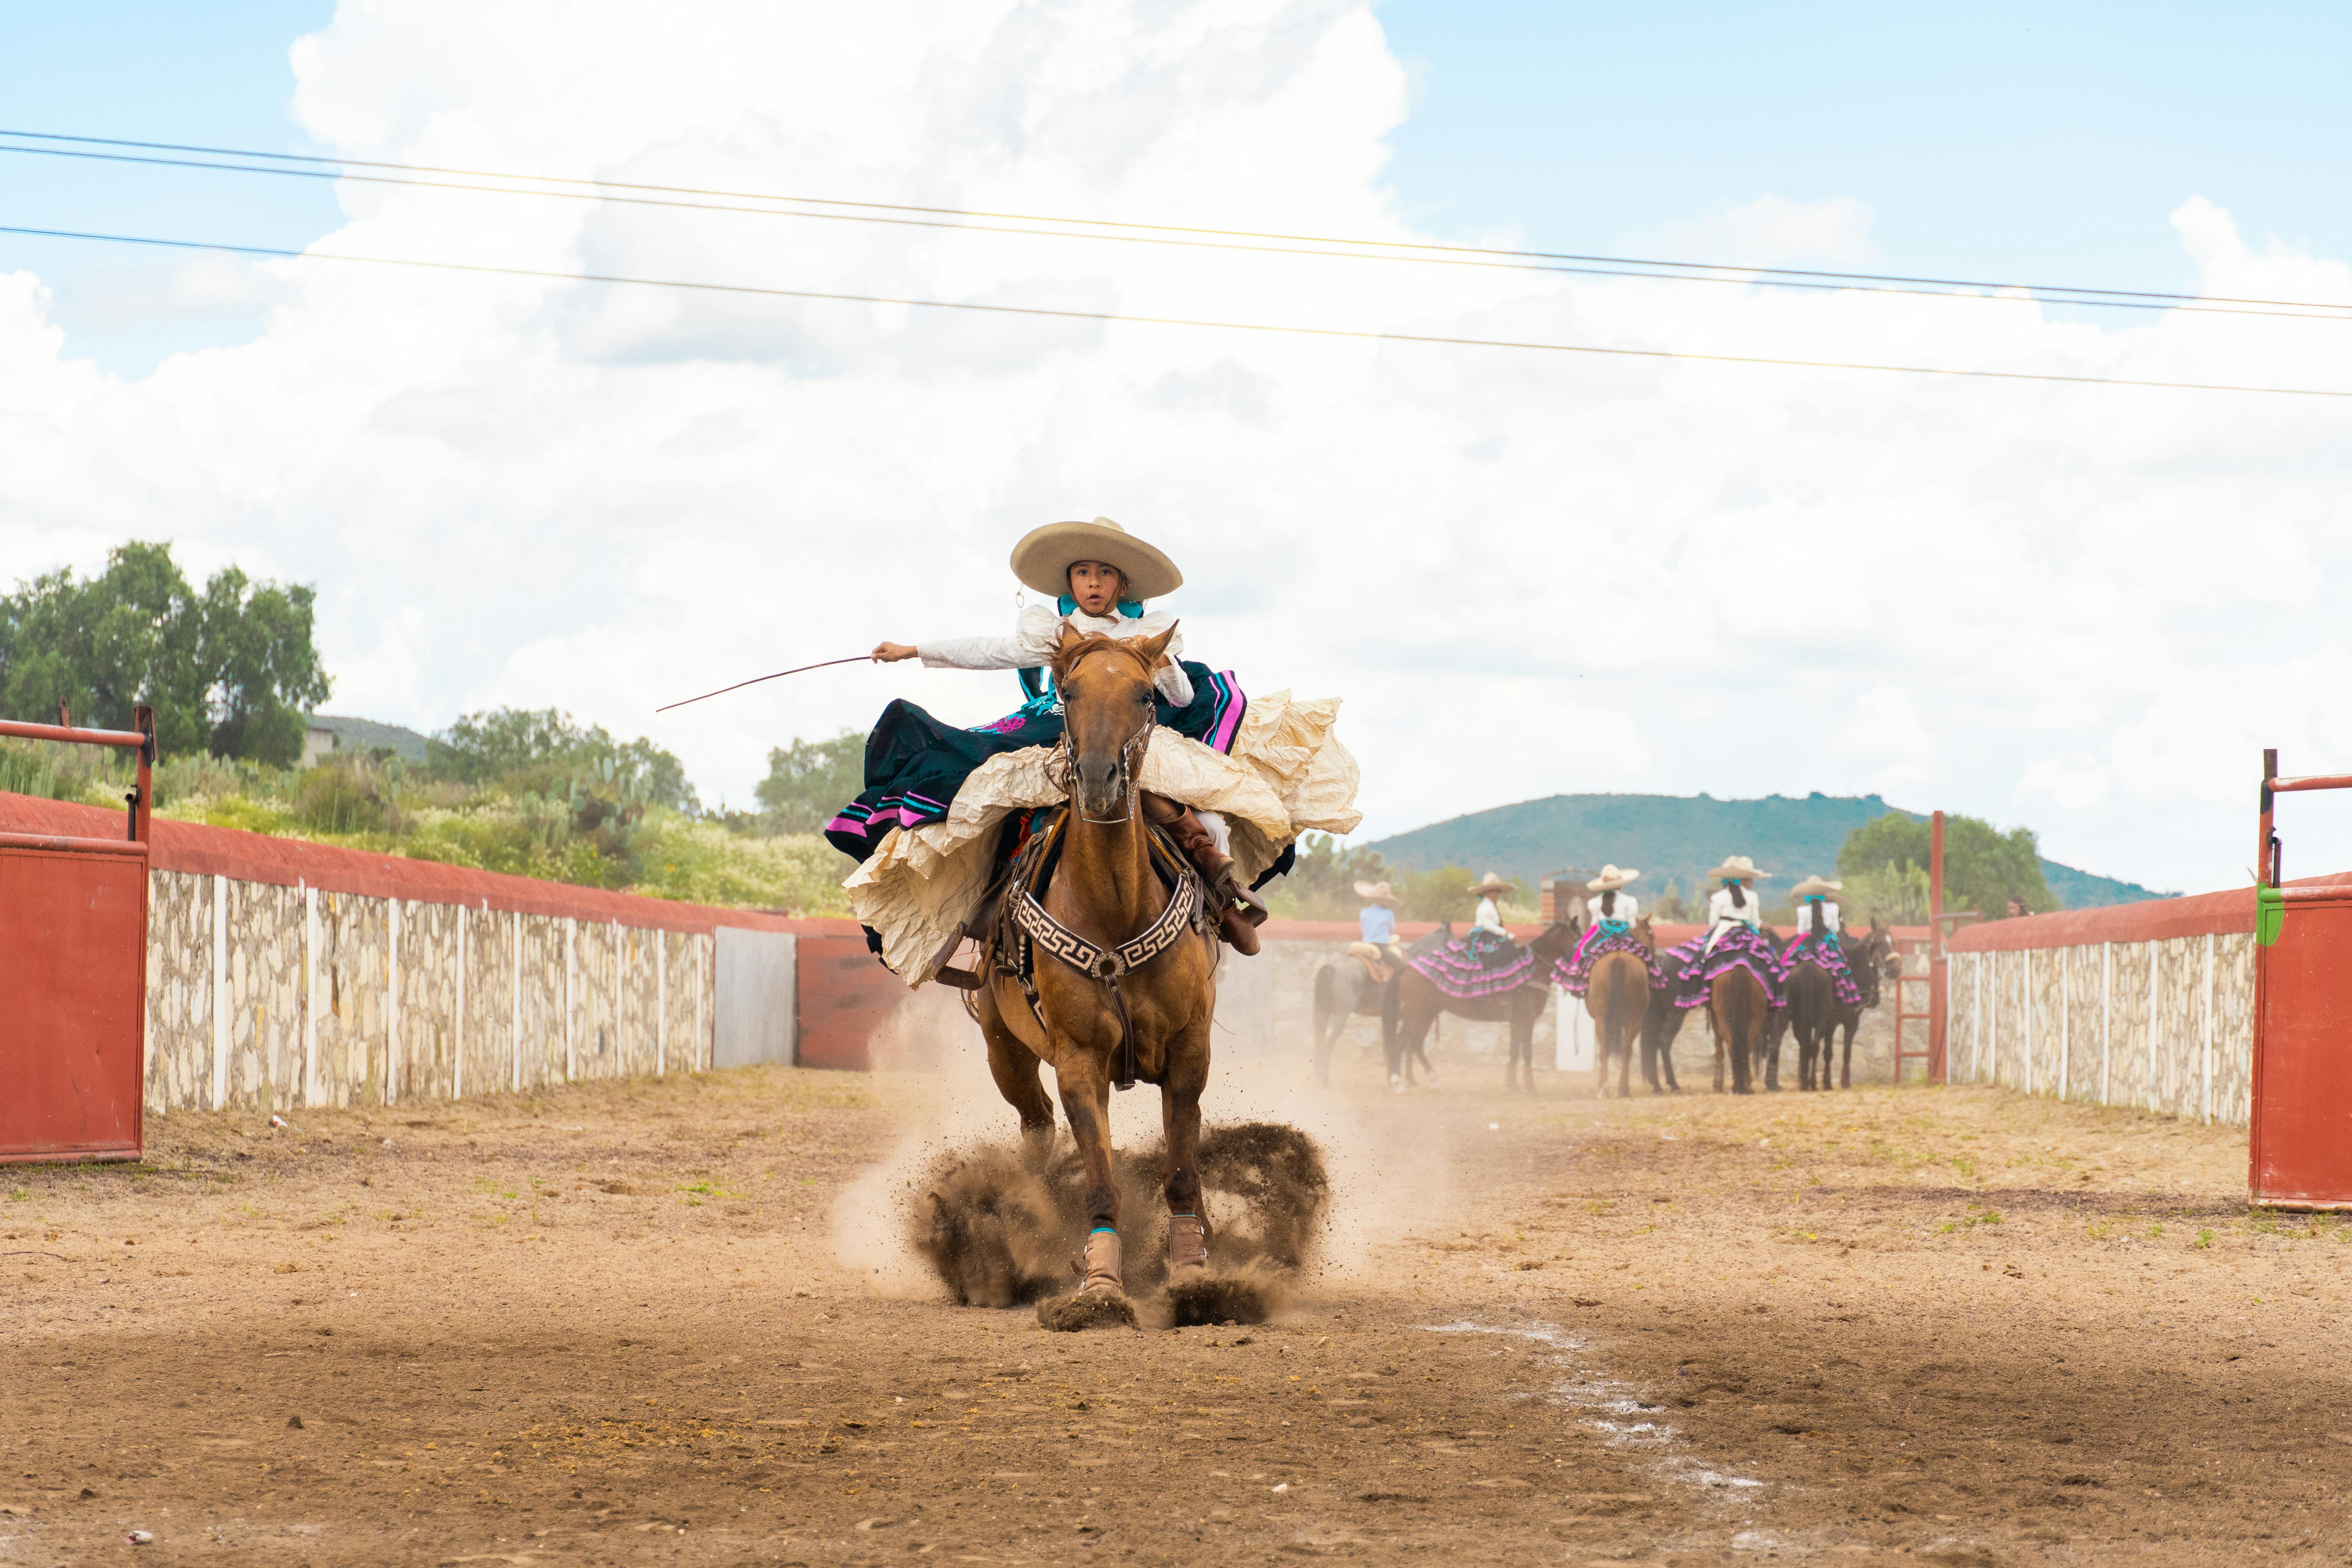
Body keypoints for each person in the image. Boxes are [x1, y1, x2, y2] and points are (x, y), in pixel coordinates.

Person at [830, 517, 1360, 978]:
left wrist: (1157, 661)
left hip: (1132, 732)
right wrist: (914, 649)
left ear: (1121, 582)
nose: (1093, 583)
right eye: (1083, 572)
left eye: (1104, 574)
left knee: (1209, 815)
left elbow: (1183, 696)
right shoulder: (1051, 629)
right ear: (1070, 579)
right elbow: (994, 651)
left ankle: (1222, 907)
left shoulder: (1147, 629)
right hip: (1059, 730)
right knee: (985, 807)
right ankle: (986, 914)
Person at [1678, 855, 1788, 1009]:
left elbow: (1712, 923)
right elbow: (1755, 923)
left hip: (1722, 932)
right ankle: (1774, 1000)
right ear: (1744, 878)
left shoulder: (1718, 896)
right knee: (1770, 960)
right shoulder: (1753, 896)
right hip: (1747, 933)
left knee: (1702, 958)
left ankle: (1698, 994)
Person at [1559, 864, 1662, 995]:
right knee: (1645, 954)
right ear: (1620, 885)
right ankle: (1654, 984)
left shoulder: (1595, 903)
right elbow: (1632, 925)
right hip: (1623, 934)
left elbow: (1594, 925)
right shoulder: (1630, 901)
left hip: (1602, 934)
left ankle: (1577, 986)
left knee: (1583, 951)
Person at [1784, 874, 1861, 1005]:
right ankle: (1848, 996)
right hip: (1827, 942)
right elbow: (1836, 928)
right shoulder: (1833, 908)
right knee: (1842, 966)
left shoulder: (1802, 910)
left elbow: (1800, 932)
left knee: (1787, 962)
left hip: (1807, 943)